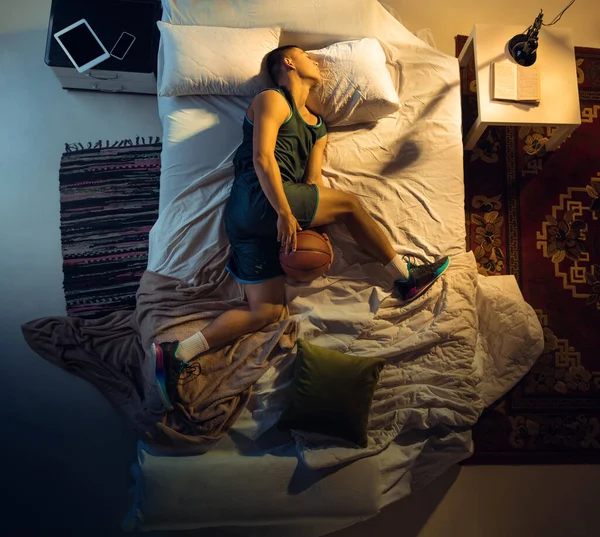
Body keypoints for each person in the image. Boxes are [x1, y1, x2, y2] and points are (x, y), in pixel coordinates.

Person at [152, 45, 449, 410]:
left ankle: (180, 352)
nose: (315, 60)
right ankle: (405, 277)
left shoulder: (318, 125)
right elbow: (262, 157)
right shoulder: (272, 99)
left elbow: (313, 183)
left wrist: (316, 227)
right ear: (289, 63)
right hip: (259, 197)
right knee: (352, 205)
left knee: (267, 312)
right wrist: (284, 211)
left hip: (256, 218)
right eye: (306, 55)